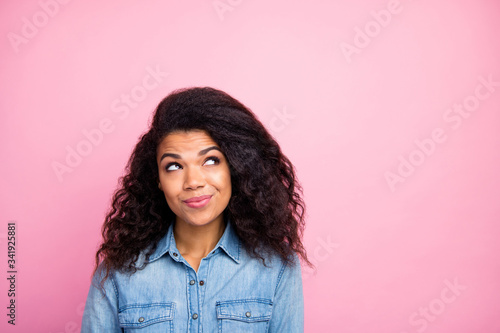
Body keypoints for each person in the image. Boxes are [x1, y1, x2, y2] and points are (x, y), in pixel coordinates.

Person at [81, 87, 310, 332]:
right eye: (174, 166)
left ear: (235, 167)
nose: (193, 181)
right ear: (157, 179)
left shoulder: (277, 267)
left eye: (210, 160)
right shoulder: (117, 273)